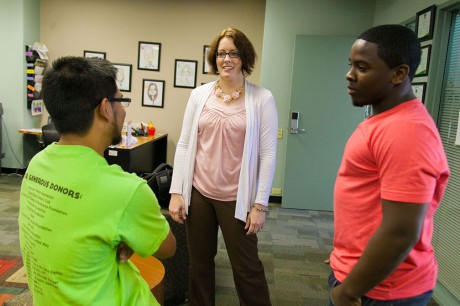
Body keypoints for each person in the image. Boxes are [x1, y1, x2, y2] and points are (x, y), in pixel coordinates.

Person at [18, 56, 176, 305]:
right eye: (122, 101)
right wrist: (129, 235)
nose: (123, 110)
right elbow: (167, 248)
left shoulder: (36, 165)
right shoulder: (127, 191)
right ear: (105, 108)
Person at [329, 25, 450, 306]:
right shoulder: (385, 120)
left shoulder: (406, 132)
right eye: (351, 65)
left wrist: (348, 290)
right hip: (363, 274)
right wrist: (346, 255)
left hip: (381, 291)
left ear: (399, 74)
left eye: (362, 67)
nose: (349, 75)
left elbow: (400, 231)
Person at [168, 27, 278, 306]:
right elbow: (183, 144)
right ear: (213, 58)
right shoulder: (199, 95)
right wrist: (177, 191)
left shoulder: (262, 99)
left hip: (236, 199)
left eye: (233, 53)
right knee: (200, 266)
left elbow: (268, 154)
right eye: (220, 54)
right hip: (200, 193)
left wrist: (260, 204)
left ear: (244, 57)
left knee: (247, 269)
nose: (226, 59)